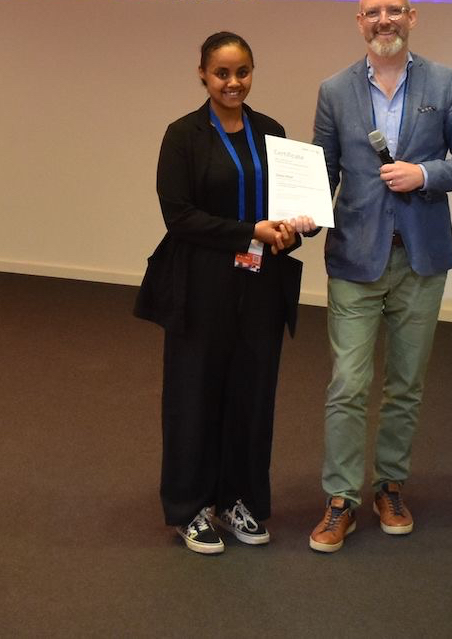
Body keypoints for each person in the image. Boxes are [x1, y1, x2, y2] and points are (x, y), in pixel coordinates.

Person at [308, 0, 452, 552]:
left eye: (393, 11)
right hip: (355, 257)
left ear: (412, 17)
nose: (383, 20)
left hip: (421, 258)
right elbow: (323, 170)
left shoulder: (444, 82)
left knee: (405, 385)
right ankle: (341, 498)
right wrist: (303, 214)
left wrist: (425, 174)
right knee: (348, 384)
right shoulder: (334, 90)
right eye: (372, 13)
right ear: (359, 22)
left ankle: (389, 486)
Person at [135, 31, 313, 553]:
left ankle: (239, 501)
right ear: (203, 75)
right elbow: (179, 217)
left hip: (261, 286)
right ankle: (189, 508)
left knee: (252, 398)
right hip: (201, 285)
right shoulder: (183, 135)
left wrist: (293, 229)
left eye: (242, 72)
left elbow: (290, 207)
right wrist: (249, 231)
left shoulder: (271, 131)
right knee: (193, 397)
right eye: (222, 73)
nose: (233, 83)